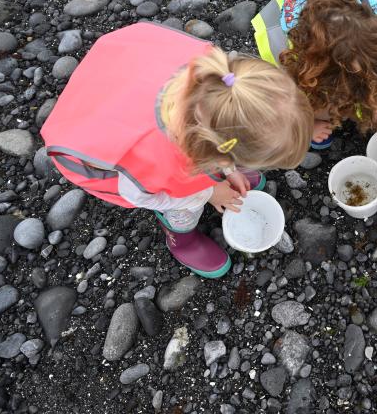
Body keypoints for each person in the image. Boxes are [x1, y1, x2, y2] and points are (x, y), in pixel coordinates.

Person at [41, 23, 313, 278]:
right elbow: (148, 195)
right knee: (187, 200)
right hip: (97, 156)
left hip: (121, 70)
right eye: (238, 161)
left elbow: (220, 130)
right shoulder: (152, 160)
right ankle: (180, 239)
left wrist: (228, 170)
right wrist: (207, 192)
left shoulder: (219, 83)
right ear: (220, 151)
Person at [251, 0, 377, 149]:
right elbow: (282, 99)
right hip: (312, 74)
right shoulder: (287, 53)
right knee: (308, 99)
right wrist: (309, 123)